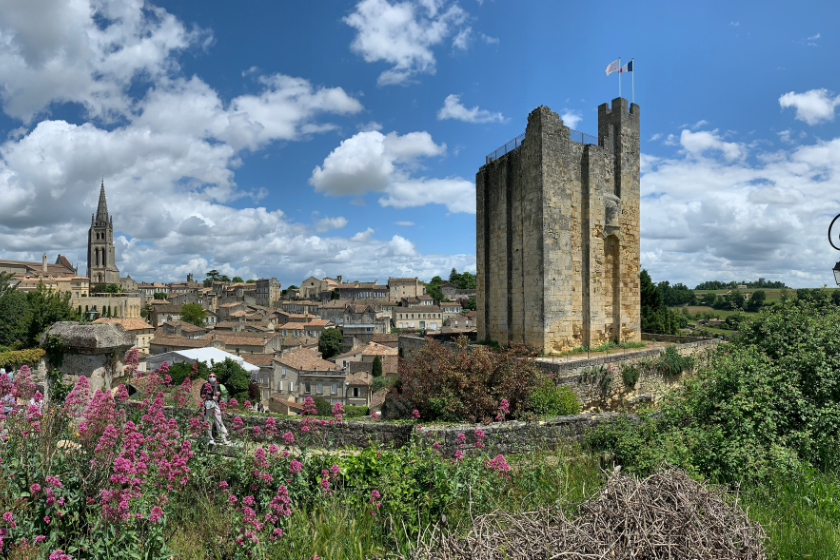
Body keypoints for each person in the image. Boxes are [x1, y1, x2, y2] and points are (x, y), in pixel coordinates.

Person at [200, 373, 230, 445]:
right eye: (210, 376)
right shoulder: (205, 385)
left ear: (216, 377)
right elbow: (202, 395)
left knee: (219, 421)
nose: (212, 378)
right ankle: (210, 438)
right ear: (208, 377)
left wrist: (220, 402)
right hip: (208, 405)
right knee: (209, 422)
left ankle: (223, 438)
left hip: (216, 405)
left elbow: (219, 396)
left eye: (213, 376)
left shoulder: (218, 386)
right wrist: (210, 397)